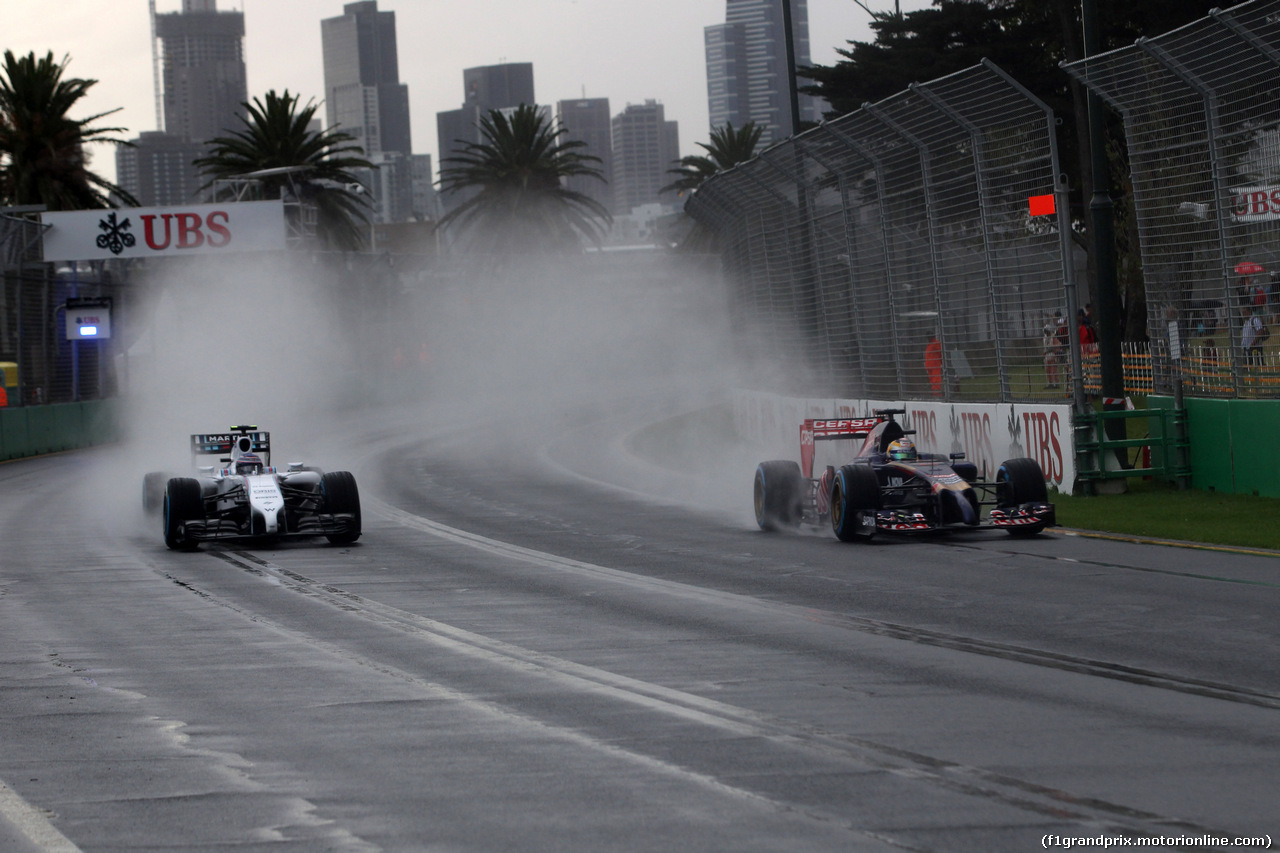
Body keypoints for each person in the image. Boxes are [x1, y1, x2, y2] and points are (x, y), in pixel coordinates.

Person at [1042, 312, 1065, 388]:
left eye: (1047, 331)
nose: (1046, 333)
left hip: (1052, 354)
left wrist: (1053, 348)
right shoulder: (1045, 338)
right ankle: (1050, 383)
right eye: (1045, 331)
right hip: (1047, 355)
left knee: (1054, 370)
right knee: (1047, 370)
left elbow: (1059, 344)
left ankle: (1056, 383)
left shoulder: (1053, 337)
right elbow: (1045, 347)